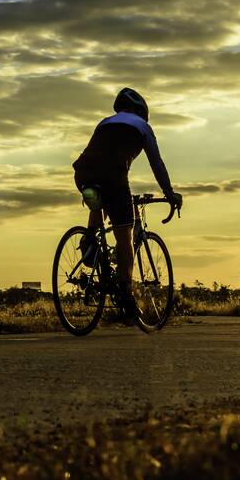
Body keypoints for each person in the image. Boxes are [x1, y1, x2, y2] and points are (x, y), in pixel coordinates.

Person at [72, 88, 183, 318]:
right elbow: (157, 163)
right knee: (125, 235)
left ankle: (90, 239)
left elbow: (98, 154)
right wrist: (169, 193)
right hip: (113, 177)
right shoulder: (142, 126)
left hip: (83, 173)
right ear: (141, 111)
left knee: (99, 203)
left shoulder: (105, 122)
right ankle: (126, 293)